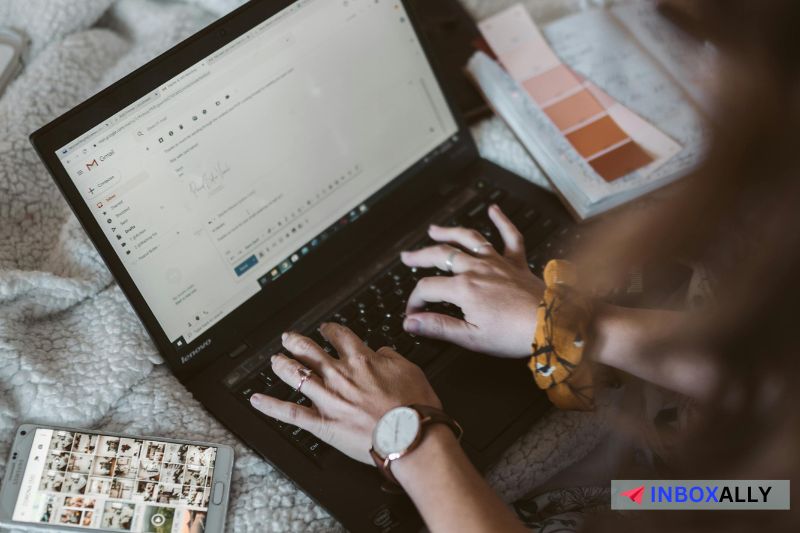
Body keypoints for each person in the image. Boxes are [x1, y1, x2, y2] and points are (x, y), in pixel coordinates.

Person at [251, 0, 800, 531]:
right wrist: (565, 323)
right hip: (733, 494)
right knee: (633, 493)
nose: (698, 81)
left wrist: (411, 440)